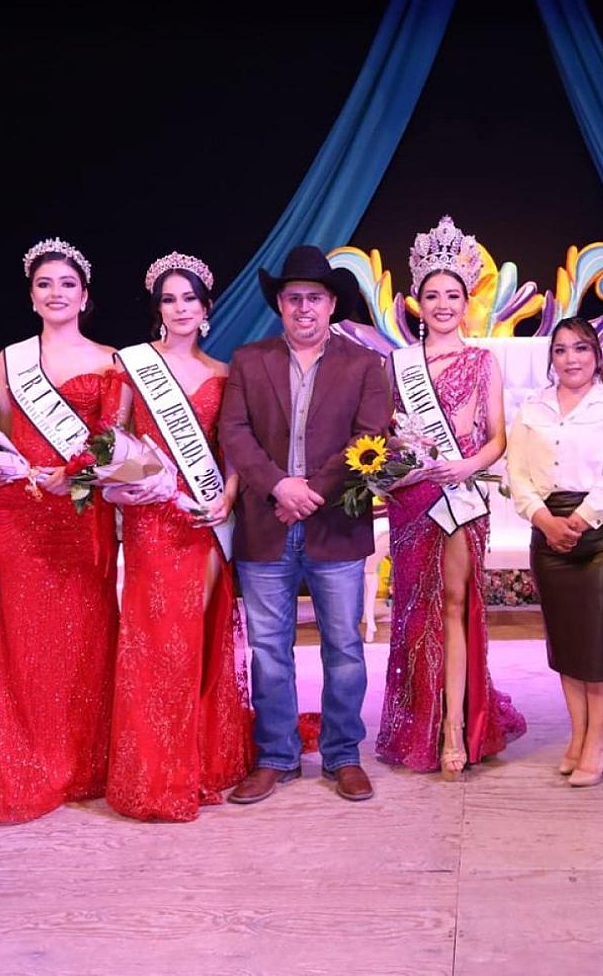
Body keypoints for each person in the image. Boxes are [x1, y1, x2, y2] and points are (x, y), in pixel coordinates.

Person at [219, 244, 390, 804]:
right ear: (280, 305)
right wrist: (279, 486)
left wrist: (309, 491)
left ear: (332, 304)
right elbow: (234, 432)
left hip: (334, 524)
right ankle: (276, 755)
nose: (303, 308)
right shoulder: (249, 360)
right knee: (269, 649)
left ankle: (343, 754)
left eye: (314, 297)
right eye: (293, 298)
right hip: (266, 523)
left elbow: (371, 436)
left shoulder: (364, 364)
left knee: (344, 646)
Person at [375, 215, 527, 777]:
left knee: (456, 605)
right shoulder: (396, 365)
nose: (443, 305)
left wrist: (464, 465)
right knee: (415, 611)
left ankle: (455, 727)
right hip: (413, 500)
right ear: (418, 302)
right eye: (433, 295)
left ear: (467, 303)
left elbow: (497, 439)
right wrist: (402, 462)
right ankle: (420, 717)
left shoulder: (483, 361)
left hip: (459, 496)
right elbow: (383, 438)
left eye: (453, 295)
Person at [104, 252, 253, 821]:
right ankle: (155, 768)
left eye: (189, 298)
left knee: (195, 637)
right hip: (152, 521)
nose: (180, 308)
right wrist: (132, 481)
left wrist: (227, 496)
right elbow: (110, 440)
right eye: (169, 299)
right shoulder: (133, 364)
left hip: (202, 519)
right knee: (154, 641)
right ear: (157, 310)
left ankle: (197, 760)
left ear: (206, 307)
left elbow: (232, 450)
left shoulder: (223, 373)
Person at [0, 237, 121, 823]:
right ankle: (29, 766)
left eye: (67, 284)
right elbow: (3, 431)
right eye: (45, 284)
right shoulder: (10, 358)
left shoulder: (111, 358)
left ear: (85, 296)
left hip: (82, 509)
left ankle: (86, 763)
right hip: (22, 509)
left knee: (87, 633)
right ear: (31, 296)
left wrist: (76, 475)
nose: (56, 293)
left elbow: (113, 442)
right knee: (26, 638)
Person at [508, 316, 603, 787]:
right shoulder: (532, 408)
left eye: (581, 348)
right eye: (561, 350)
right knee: (566, 642)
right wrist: (544, 521)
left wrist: (580, 522)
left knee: (598, 641)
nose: (571, 359)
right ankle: (579, 734)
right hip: (548, 531)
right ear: (552, 358)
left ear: (597, 355)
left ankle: (600, 739)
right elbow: (517, 474)